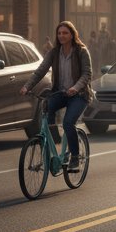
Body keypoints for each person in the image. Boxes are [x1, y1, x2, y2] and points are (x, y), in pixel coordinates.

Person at [19, 20, 93, 171]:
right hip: (61, 93)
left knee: (67, 123)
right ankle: (55, 141)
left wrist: (75, 87)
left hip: (79, 95)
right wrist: (27, 86)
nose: (61, 36)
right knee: (47, 107)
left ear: (72, 35)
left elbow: (87, 74)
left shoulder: (81, 51)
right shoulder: (53, 53)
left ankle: (75, 158)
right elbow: (40, 71)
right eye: (59, 33)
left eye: (65, 33)